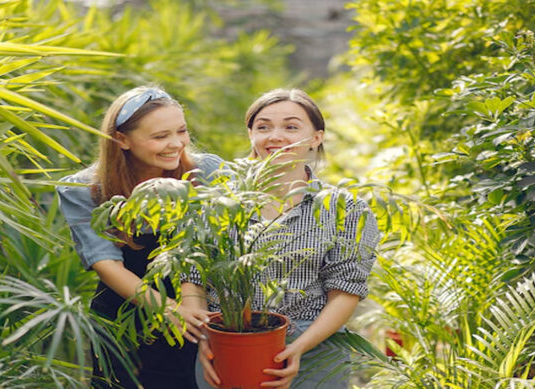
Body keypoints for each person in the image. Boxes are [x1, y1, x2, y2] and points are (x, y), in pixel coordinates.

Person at [190, 88, 380, 388]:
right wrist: (206, 338)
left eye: (291, 127)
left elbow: (345, 290)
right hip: (227, 345)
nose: (275, 136)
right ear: (250, 134)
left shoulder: (346, 209)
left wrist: (299, 347)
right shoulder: (217, 202)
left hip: (315, 347)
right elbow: (193, 274)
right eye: (263, 127)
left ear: (316, 138)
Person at [56, 86, 222, 389]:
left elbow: (200, 245)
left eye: (181, 131)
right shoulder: (84, 189)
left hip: (196, 307)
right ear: (121, 139)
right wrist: (169, 310)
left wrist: (190, 308)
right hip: (124, 313)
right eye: (160, 137)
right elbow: (105, 263)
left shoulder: (207, 171)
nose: (176, 144)